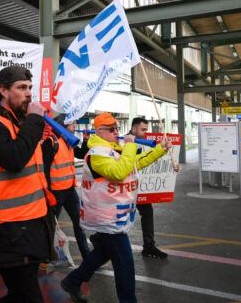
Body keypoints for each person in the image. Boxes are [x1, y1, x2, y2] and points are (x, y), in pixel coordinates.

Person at [61, 112, 171, 303]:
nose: (115, 132)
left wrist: (160, 149)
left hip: (114, 215)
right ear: (99, 131)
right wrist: (129, 145)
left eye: (116, 129)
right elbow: (120, 173)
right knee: (125, 264)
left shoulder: (112, 149)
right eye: (111, 129)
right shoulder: (96, 153)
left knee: (102, 253)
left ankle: (73, 281)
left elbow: (134, 164)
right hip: (107, 218)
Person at [0, 66, 56, 303]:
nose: (28, 93)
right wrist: (35, 121)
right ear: (3, 90)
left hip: (31, 223)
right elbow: (15, 159)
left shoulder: (17, 121)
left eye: (29, 87)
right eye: (21, 88)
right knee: (28, 297)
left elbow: (32, 166)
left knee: (20, 296)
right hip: (9, 228)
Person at [41, 114, 90, 260]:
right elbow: (44, 169)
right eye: (72, 124)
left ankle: (87, 257)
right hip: (55, 192)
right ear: (63, 126)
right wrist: (47, 192)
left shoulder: (68, 141)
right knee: (50, 226)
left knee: (79, 223)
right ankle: (44, 257)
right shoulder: (51, 142)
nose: (75, 126)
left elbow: (81, 154)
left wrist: (86, 141)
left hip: (69, 190)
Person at [130, 117, 168, 259]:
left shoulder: (145, 142)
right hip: (126, 190)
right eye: (143, 129)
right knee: (121, 217)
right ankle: (100, 238)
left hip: (141, 187)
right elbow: (135, 163)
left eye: (147, 129)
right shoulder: (124, 143)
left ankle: (149, 246)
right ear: (134, 129)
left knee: (147, 212)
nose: (146, 132)